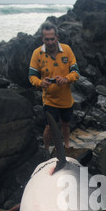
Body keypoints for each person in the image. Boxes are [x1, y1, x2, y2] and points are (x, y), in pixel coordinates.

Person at [28, 21, 79, 151]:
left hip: (66, 99)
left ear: (57, 37)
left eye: (52, 39)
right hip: (49, 99)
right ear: (42, 39)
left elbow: (76, 73)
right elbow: (31, 76)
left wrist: (66, 79)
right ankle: (46, 150)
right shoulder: (37, 53)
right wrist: (40, 83)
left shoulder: (67, 50)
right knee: (49, 127)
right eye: (47, 39)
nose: (50, 42)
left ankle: (66, 147)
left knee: (66, 125)